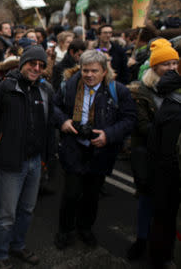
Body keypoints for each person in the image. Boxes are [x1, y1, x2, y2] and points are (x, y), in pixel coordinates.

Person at [0, 45, 54, 269]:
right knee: (7, 214)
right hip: (10, 162)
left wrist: (47, 159)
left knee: (27, 209)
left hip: (35, 161)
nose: (36, 68)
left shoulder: (45, 90)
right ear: (22, 63)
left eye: (41, 65)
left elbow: (51, 122)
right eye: (32, 63)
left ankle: (18, 246)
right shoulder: (7, 86)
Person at [53, 49, 136, 250]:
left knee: (91, 196)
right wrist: (63, 121)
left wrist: (109, 135)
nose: (89, 75)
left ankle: (85, 228)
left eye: (94, 71)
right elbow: (54, 107)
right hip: (74, 148)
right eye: (85, 70)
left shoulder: (118, 91)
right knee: (71, 194)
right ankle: (65, 230)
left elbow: (130, 119)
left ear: (104, 72)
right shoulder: (69, 86)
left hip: (100, 153)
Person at [126, 38, 179, 261]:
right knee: (147, 202)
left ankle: (162, 246)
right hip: (148, 155)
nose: (172, 68)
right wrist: (168, 125)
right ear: (155, 66)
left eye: (175, 64)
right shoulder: (141, 92)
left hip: (171, 158)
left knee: (167, 207)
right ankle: (141, 240)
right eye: (167, 64)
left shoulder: (175, 89)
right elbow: (142, 126)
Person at [147, 69, 180, 269]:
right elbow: (167, 153)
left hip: (167, 174)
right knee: (164, 219)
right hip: (168, 177)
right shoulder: (174, 107)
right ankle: (161, 259)